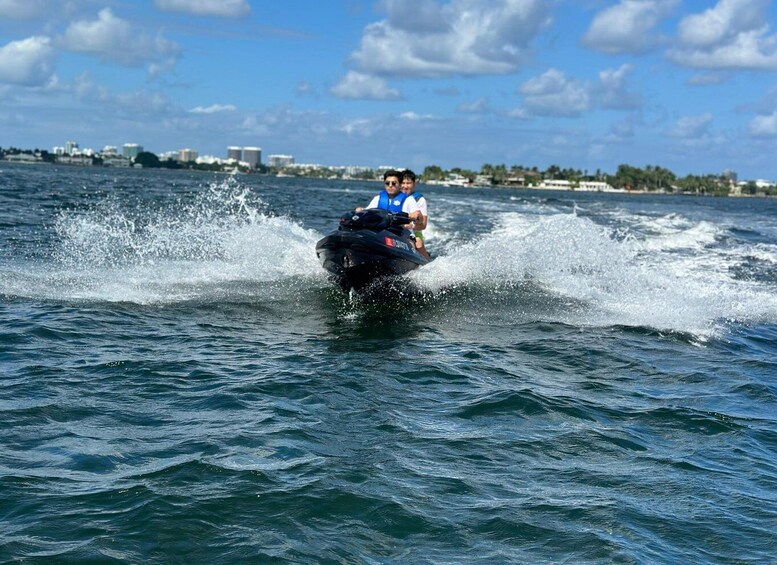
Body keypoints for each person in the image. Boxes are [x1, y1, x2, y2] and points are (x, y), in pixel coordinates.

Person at [357, 169, 422, 221]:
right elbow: (367, 211)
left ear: (400, 185)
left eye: (393, 183)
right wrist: (361, 210)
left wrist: (416, 215)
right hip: (381, 232)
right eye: (387, 183)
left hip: (401, 233)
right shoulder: (378, 198)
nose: (390, 186)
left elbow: (418, 216)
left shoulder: (409, 200)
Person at [400, 169, 430, 260]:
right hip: (395, 229)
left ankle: (427, 263)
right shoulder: (394, 198)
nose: (405, 186)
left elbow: (423, 225)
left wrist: (410, 225)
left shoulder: (419, 200)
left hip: (415, 232)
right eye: (402, 183)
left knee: (418, 243)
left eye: (408, 183)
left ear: (414, 184)